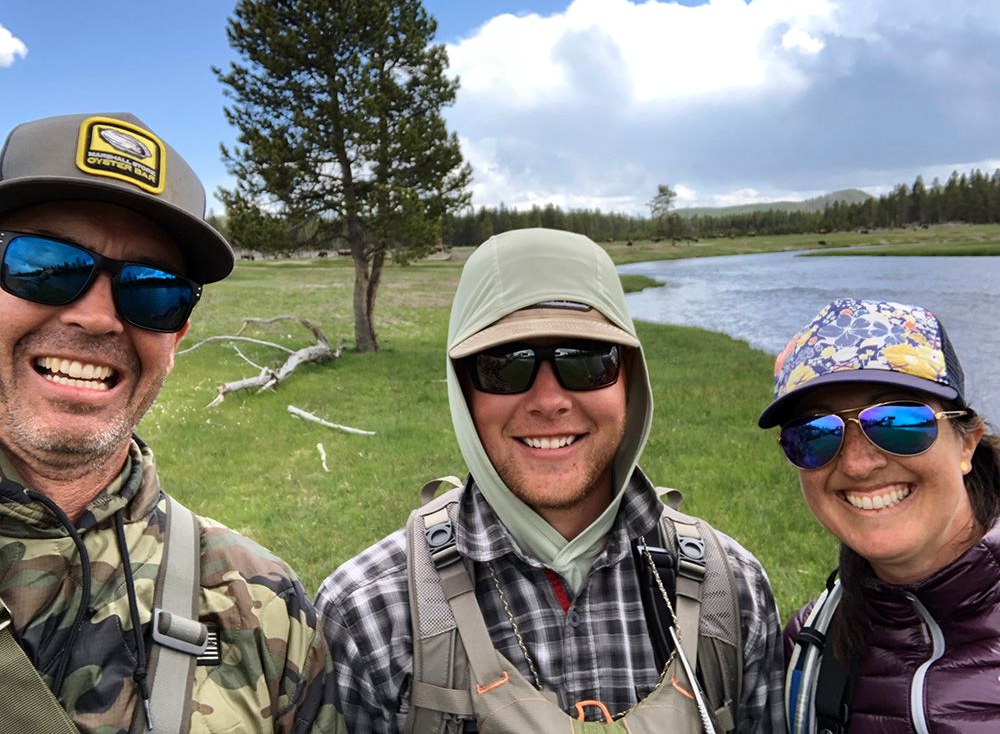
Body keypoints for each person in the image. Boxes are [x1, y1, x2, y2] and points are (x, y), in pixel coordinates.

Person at [316, 227, 785, 733]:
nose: (549, 400)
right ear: (463, 390)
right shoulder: (366, 614)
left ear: (629, 376)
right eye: (504, 366)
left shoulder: (733, 589)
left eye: (586, 361)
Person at [0, 113, 344, 733]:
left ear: (178, 331)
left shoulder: (265, 606)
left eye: (152, 290)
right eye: (42, 264)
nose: (99, 318)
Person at [758, 298, 1000, 734]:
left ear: (967, 443)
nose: (856, 464)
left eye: (897, 422)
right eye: (814, 433)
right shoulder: (809, 648)